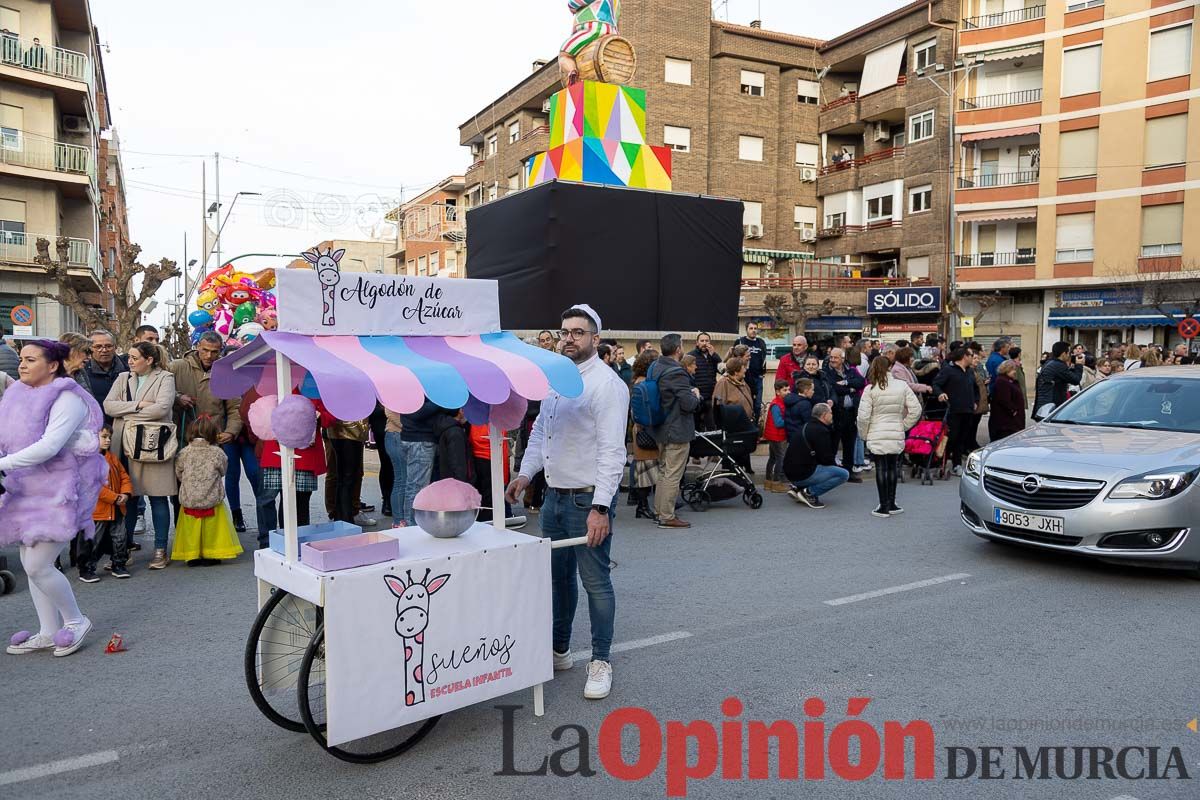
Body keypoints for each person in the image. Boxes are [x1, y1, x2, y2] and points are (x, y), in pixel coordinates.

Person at [505, 304, 628, 700]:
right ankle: (559, 650)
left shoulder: (607, 386)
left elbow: (612, 451)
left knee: (595, 583)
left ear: (596, 338)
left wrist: (602, 508)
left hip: (586, 501)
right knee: (557, 580)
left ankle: (601, 661)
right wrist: (525, 474)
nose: (569, 338)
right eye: (564, 331)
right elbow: (542, 431)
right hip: (555, 499)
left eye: (578, 332)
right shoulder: (558, 380)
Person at [1, 340, 105, 657]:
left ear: (53, 365)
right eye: (21, 359)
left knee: (37, 563)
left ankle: (75, 620)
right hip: (25, 487)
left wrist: (2, 464)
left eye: (31, 360)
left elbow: (50, 445)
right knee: (30, 560)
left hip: (63, 489)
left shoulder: (67, 398)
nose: (22, 365)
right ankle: (47, 630)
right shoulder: (17, 393)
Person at [104, 342, 177, 570]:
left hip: (153, 444)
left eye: (135, 358)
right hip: (123, 445)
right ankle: (122, 551)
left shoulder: (165, 377)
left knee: (158, 496)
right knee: (129, 497)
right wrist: (138, 405)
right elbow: (108, 406)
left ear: (150, 360)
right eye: (130, 357)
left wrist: (127, 413)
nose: (130, 361)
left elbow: (162, 408)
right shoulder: (123, 377)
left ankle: (160, 549)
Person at [169, 332, 246, 527]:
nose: (209, 356)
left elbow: (234, 407)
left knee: (210, 487)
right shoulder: (177, 367)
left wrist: (231, 431)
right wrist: (178, 397)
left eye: (214, 352)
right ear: (197, 347)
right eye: (205, 350)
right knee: (180, 487)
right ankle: (183, 533)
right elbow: (160, 389)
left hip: (212, 440)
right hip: (182, 438)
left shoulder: (226, 373)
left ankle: (210, 536)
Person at [255, 393, 335, 549]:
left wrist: (316, 413)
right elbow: (256, 410)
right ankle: (267, 542)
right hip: (275, 452)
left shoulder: (314, 387)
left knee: (299, 502)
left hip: (304, 456)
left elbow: (330, 417)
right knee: (266, 499)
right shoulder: (274, 381)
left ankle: (295, 542)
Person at [171, 415, 243, 565]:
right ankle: (212, 553)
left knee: (191, 528)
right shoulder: (217, 453)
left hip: (189, 499)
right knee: (212, 527)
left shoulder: (184, 452)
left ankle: (192, 555)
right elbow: (223, 471)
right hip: (211, 498)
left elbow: (178, 472)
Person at [857, 356, 921, 518]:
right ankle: (891, 503)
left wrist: (864, 434)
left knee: (881, 467)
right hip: (895, 430)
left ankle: (883, 505)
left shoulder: (870, 389)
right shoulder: (901, 385)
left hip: (876, 431)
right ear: (890, 367)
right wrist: (903, 425)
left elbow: (863, 417)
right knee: (893, 467)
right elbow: (916, 409)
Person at [650, 333, 701, 529]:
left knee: (663, 471)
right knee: (672, 473)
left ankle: (659, 511)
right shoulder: (676, 372)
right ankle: (667, 516)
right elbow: (688, 404)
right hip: (676, 429)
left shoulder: (655, 367)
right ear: (678, 349)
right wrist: (695, 395)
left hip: (660, 427)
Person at [73, 424, 132, 581]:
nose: (108, 440)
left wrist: (126, 493)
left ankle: (118, 564)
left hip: (117, 507)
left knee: (120, 538)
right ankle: (86, 569)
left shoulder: (112, 458)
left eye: (109, 437)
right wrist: (115, 497)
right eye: (104, 437)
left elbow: (124, 476)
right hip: (97, 510)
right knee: (93, 541)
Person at [388, 399, 444, 528]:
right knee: (415, 487)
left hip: (417, 438)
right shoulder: (417, 388)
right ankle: (412, 525)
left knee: (414, 485)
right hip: (419, 439)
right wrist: (440, 402)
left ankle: (412, 523)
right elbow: (416, 412)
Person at [783, 403, 849, 509]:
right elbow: (826, 459)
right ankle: (809, 493)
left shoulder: (807, 425)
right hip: (801, 474)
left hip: (791, 473)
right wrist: (836, 465)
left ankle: (799, 488)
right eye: (830, 413)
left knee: (821, 466)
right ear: (824, 415)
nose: (832, 415)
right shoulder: (820, 431)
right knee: (843, 474)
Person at [821, 347, 865, 481]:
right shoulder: (826, 372)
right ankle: (830, 473)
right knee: (833, 444)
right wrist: (851, 389)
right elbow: (834, 388)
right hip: (836, 413)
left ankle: (848, 472)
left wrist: (846, 383)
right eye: (831, 357)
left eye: (835, 357)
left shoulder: (850, 370)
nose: (832, 360)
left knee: (849, 443)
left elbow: (861, 382)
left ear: (842, 359)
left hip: (851, 413)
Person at [933, 347, 979, 476]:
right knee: (951, 437)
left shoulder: (970, 371)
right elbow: (936, 384)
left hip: (968, 410)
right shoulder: (948, 370)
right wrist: (940, 394)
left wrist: (975, 401)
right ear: (964, 356)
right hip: (953, 410)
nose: (973, 358)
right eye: (971, 355)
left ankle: (956, 463)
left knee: (962, 438)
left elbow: (975, 388)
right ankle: (940, 461)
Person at [628, 348, 661, 520]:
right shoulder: (642, 382)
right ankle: (642, 506)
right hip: (644, 429)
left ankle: (645, 506)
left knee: (647, 469)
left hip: (643, 429)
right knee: (645, 470)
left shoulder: (638, 381)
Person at [326, 416, 374, 526]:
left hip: (336, 428)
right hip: (353, 429)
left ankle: (341, 515)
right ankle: (346, 517)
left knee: (342, 477)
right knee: (348, 477)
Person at [469, 423, 511, 523]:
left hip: (484, 451)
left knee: (486, 495)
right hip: (491, 451)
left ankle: (492, 518)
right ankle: (496, 518)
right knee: (491, 496)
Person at [1033, 342, 1085, 420]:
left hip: (1045, 406)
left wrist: (1073, 367)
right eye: (1069, 353)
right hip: (1051, 408)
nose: (1070, 355)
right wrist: (1079, 365)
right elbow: (1076, 380)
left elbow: (1065, 375)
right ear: (1064, 353)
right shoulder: (1058, 365)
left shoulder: (1049, 363)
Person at [83, 330, 127, 417]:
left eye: (108, 346)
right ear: (90, 349)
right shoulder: (82, 373)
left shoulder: (129, 370)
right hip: (96, 425)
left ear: (115, 347)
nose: (104, 350)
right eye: (98, 346)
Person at [687, 333, 722, 427]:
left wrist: (714, 355)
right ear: (697, 343)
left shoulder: (713, 356)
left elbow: (722, 370)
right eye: (702, 341)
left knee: (712, 426)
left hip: (711, 397)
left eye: (707, 341)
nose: (704, 343)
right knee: (696, 426)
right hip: (697, 398)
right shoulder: (690, 356)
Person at [735, 322, 766, 423]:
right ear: (746, 329)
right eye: (751, 328)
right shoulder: (740, 341)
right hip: (744, 378)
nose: (753, 330)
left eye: (755, 328)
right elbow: (734, 357)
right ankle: (745, 424)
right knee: (745, 403)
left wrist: (762, 373)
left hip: (757, 378)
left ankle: (755, 425)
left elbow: (764, 358)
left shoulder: (761, 342)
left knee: (757, 405)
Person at [988, 360, 1026, 442]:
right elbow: (1004, 400)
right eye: (1013, 370)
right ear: (1006, 370)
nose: (1015, 372)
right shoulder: (1002, 381)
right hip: (1006, 423)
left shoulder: (1010, 380)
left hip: (1011, 421)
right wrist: (1013, 410)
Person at [763, 379, 790, 492]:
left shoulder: (779, 403)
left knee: (773, 458)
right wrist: (790, 420)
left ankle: (768, 482)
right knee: (781, 458)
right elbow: (778, 423)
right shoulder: (777, 405)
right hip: (778, 437)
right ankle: (776, 482)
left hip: (773, 436)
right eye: (785, 390)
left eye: (788, 389)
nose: (788, 392)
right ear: (778, 392)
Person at [368, 402, 394, 517]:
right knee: (387, 463)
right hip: (381, 423)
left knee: (395, 465)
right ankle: (387, 499)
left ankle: (394, 499)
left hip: (398, 422)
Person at [711, 355, 755, 423]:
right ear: (736, 372)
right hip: (733, 426)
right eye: (743, 368)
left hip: (746, 425)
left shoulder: (743, 382)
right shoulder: (723, 383)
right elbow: (718, 407)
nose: (745, 370)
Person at [784, 376, 815, 441]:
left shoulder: (791, 400)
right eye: (812, 389)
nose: (813, 392)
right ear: (806, 391)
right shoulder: (805, 404)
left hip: (791, 435)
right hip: (801, 437)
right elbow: (808, 423)